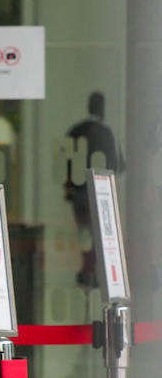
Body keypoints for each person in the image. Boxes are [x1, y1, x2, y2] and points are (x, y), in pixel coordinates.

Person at [64, 90, 124, 286]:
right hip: (98, 192)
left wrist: (68, 184)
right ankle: (95, 271)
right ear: (102, 108)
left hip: (79, 192)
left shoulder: (77, 130)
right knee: (99, 232)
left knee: (84, 231)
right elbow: (115, 164)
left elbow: (65, 158)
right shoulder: (105, 133)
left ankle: (86, 267)